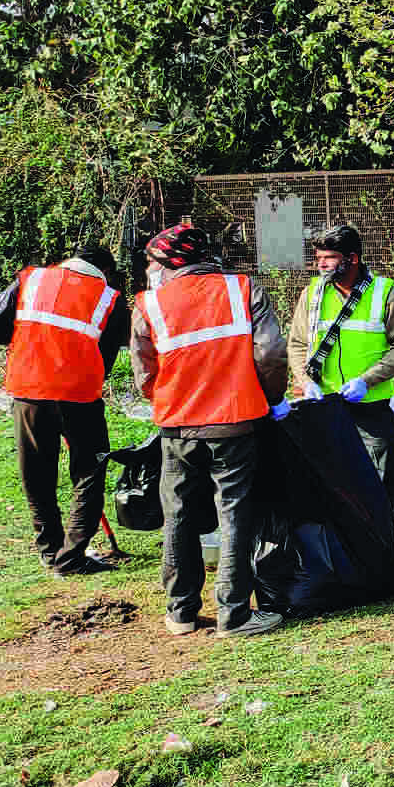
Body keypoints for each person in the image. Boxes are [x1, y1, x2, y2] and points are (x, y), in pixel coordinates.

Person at [131, 223, 288, 639]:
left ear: (169, 263)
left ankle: (180, 612)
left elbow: (144, 372)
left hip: (176, 425)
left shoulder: (150, 304)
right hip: (235, 422)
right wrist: (273, 398)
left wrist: (166, 399)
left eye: (153, 262)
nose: (150, 269)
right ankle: (233, 615)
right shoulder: (241, 289)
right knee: (234, 511)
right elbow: (270, 352)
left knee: (178, 513)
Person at [0, 243, 131, 575]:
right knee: (89, 470)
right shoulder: (109, 298)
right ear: (105, 272)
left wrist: (31, 342)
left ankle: (49, 550)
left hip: (29, 390)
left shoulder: (30, 279)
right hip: (80, 395)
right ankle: (72, 556)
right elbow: (107, 356)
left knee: (37, 472)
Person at [287, 223, 394, 585]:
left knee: (386, 479)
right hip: (324, 406)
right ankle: (349, 555)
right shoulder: (313, 294)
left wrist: (368, 380)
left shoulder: (384, 292)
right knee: (329, 482)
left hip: (371, 403)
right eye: (318, 258)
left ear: (352, 258)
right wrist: (305, 380)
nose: (321, 265)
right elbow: (298, 344)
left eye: (329, 258)